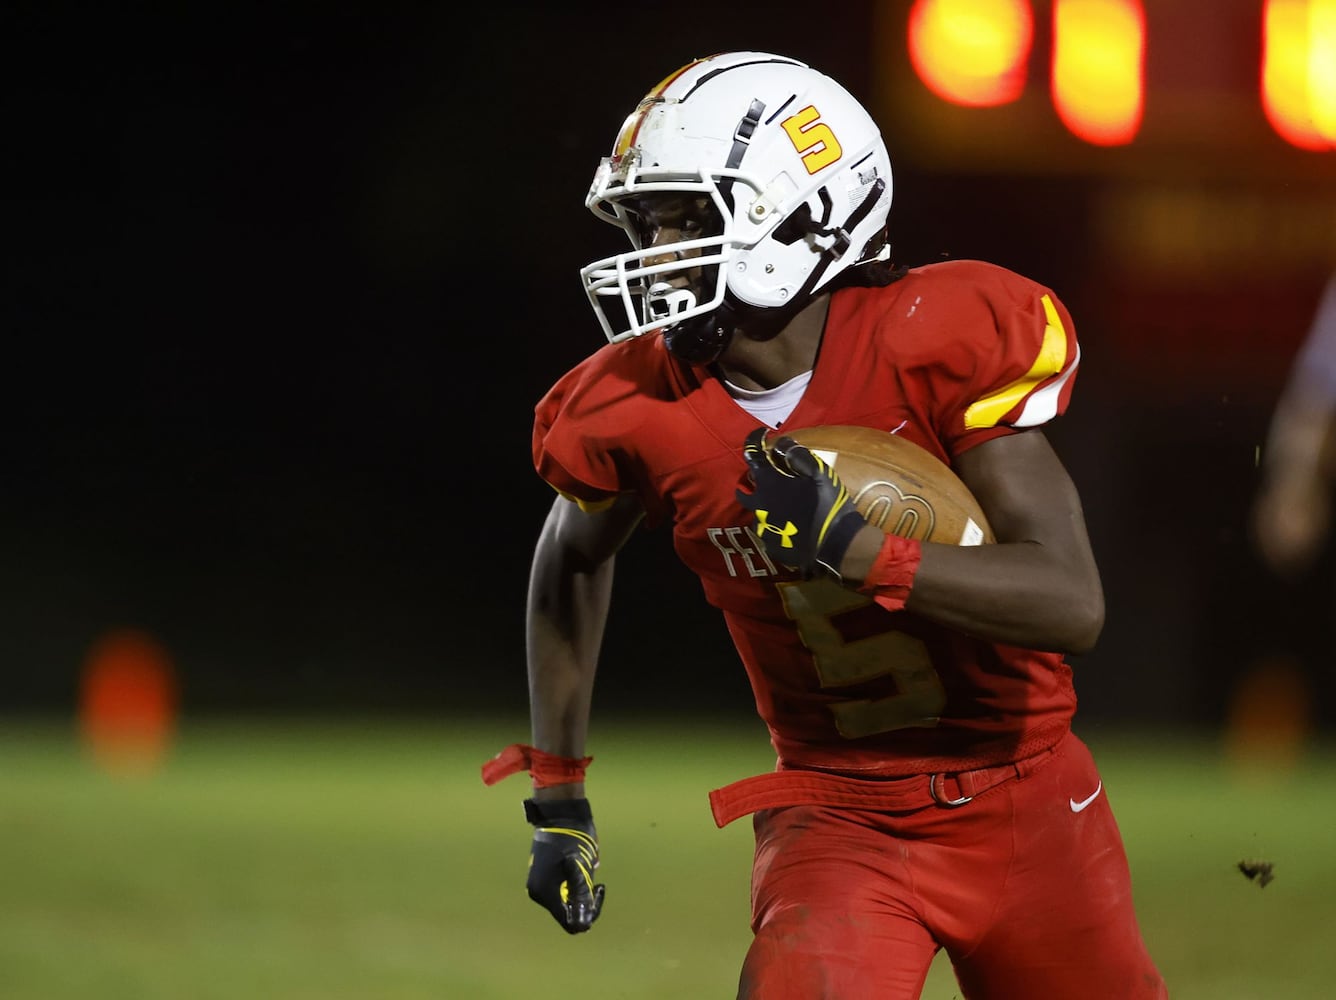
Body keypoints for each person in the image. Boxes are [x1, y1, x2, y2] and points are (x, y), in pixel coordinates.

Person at [482, 51, 1167, 998]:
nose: (655, 247)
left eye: (686, 218)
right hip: (836, 813)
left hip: (1025, 801)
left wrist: (862, 550)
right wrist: (556, 792)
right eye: (647, 220)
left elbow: (1070, 602)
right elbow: (568, 558)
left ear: (798, 213)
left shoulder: (935, 336)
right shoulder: (637, 404)